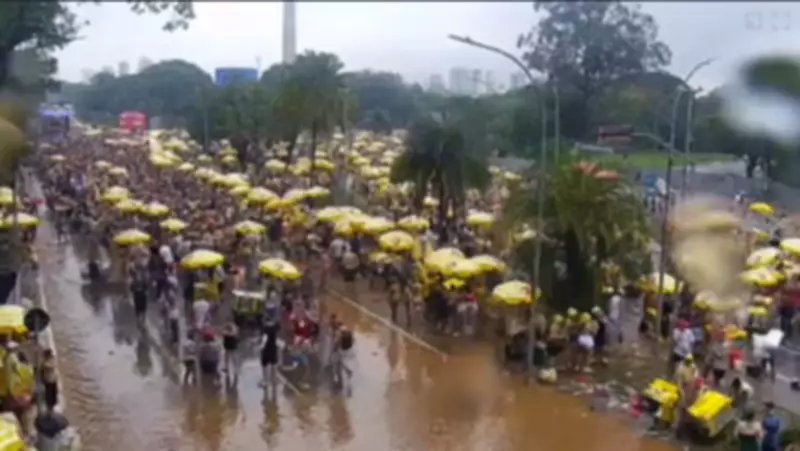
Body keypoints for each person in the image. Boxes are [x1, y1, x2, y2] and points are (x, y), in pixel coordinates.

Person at [259, 311, 280, 388]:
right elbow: (277, 339)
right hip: (273, 349)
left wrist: (261, 347)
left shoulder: (265, 329)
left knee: (265, 366)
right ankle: (274, 380)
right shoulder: (274, 328)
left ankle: (265, 381)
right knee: (274, 364)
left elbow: (264, 339)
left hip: (266, 350)